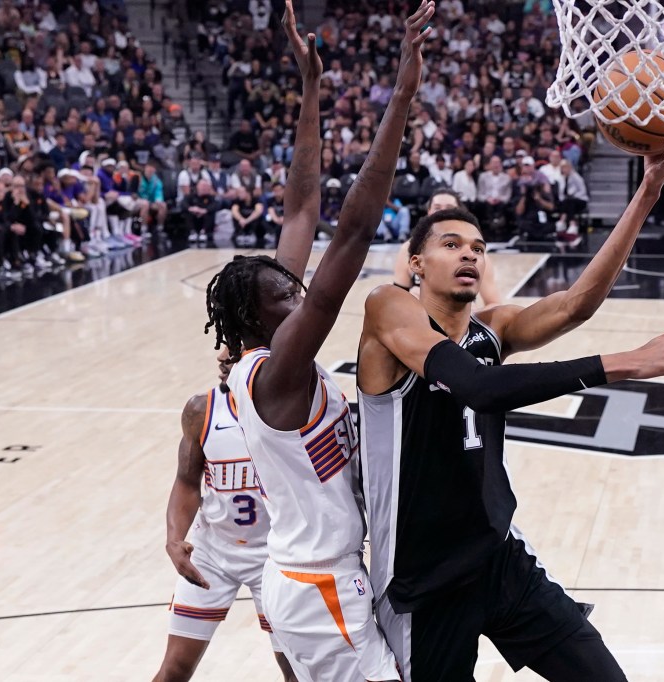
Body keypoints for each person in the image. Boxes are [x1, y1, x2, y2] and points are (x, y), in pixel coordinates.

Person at [356, 118, 664, 681]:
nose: (470, 255)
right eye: (451, 245)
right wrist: (623, 362)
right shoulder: (389, 309)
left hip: (498, 556)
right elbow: (480, 388)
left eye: (478, 248)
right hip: (424, 574)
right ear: (416, 263)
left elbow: (575, 306)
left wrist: (648, 191)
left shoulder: (492, 329)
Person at [208, 4, 433, 678]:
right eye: (287, 296)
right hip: (319, 588)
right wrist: (402, 93)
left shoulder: (266, 351)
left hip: (308, 580)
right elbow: (355, 230)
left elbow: (302, 207)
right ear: (257, 321)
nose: (300, 293)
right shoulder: (277, 375)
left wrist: (311, 92)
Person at [152, 349, 298, 682]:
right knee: (173, 670)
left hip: (277, 555)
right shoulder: (202, 410)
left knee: (294, 669)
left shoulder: (295, 409)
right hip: (213, 552)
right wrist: (174, 539)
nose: (222, 355)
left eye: (235, 345)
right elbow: (187, 482)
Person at [393, 188, 501, 307]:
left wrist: (474, 316)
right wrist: (410, 301)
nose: (442, 213)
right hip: (418, 321)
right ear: (429, 211)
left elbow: (494, 303)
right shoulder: (408, 248)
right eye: (437, 208)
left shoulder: (475, 255)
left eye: (449, 208)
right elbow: (395, 302)